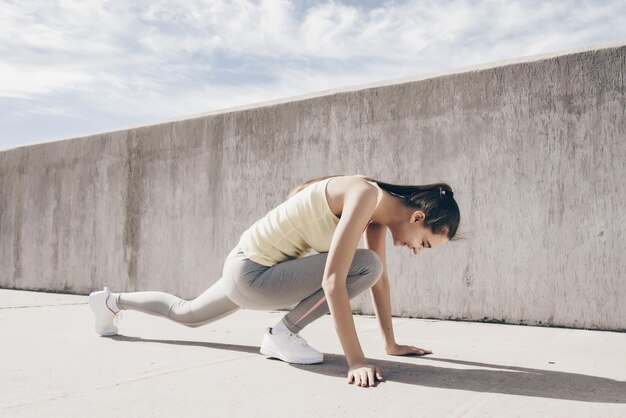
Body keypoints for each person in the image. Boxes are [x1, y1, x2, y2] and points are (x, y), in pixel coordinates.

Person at [89, 174, 460, 388]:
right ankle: (281, 334)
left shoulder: (376, 212)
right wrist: (356, 361)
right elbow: (334, 280)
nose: (417, 250)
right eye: (425, 243)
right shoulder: (364, 196)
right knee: (365, 264)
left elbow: (379, 281)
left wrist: (390, 343)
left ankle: (110, 301)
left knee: (186, 313)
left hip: (245, 267)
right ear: (416, 217)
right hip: (255, 276)